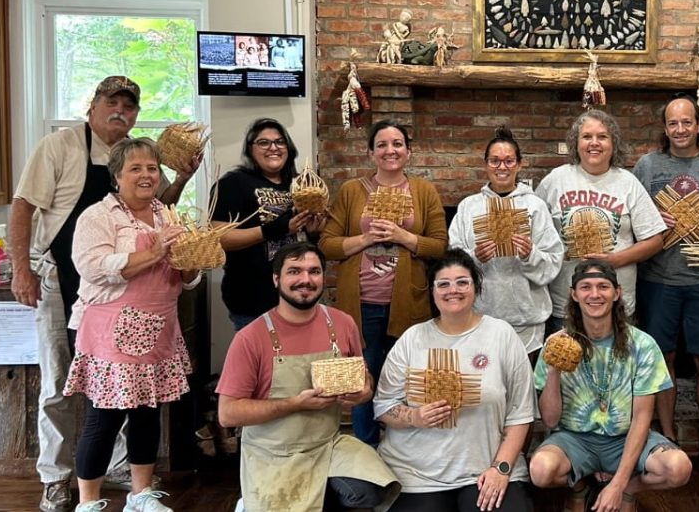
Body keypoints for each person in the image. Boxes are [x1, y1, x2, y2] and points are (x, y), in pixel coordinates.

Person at [9, 76, 198, 512]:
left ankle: (124, 474)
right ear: (92, 105)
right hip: (65, 278)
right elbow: (24, 206)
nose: (120, 111)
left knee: (138, 400)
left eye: (129, 106)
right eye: (111, 102)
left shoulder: (140, 152)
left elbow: (159, 207)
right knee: (62, 385)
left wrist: (183, 180)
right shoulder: (59, 148)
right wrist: (22, 269)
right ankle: (57, 478)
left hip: (142, 306)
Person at [64, 138, 200, 512]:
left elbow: (186, 279)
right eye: (136, 168)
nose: (146, 175)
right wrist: (155, 251)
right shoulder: (99, 217)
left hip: (158, 326)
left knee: (147, 413)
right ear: (117, 176)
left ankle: (140, 495)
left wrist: (192, 261)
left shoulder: (168, 215)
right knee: (103, 419)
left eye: (152, 168)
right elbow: (93, 267)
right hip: (110, 329)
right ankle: (89, 502)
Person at [217, 242, 400, 512]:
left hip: (328, 445)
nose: (306, 279)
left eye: (314, 271)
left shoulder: (342, 323)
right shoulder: (251, 338)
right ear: (276, 279)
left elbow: (365, 379)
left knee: (372, 491)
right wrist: (295, 404)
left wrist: (364, 390)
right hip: (273, 454)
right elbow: (228, 414)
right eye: (295, 271)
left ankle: (321, 495)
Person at [374, 249, 535, 511]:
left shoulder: (501, 334)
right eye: (444, 284)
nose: (453, 290)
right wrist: (414, 417)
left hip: (486, 468)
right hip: (418, 474)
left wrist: (501, 468)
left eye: (462, 282)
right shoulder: (412, 338)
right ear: (433, 290)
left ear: (476, 287)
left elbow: (521, 413)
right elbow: (383, 407)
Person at [319, 120, 448, 446]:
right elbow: (328, 245)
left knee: (408, 379)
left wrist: (403, 236)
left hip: (408, 303)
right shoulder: (352, 190)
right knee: (361, 381)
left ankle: (407, 449)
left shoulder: (422, 190)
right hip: (360, 305)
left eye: (397, 144)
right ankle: (367, 451)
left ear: (408, 151)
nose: (390, 150)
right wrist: (365, 238)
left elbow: (439, 246)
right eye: (382, 145)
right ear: (371, 152)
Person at [530, 259, 692, 512]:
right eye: (586, 287)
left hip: (624, 438)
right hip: (575, 439)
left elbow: (641, 419)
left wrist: (618, 485)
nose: (594, 294)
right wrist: (553, 369)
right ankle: (580, 488)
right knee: (541, 471)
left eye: (603, 287)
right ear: (574, 294)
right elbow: (550, 421)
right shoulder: (557, 344)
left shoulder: (642, 345)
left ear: (616, 293)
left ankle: (630, 489)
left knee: (678, 468)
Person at [631, 96, 699, 472]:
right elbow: (632, 219)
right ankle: (668, 437)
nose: (680, 130)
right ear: (665, 128)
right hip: (658, 278)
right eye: (673, 123)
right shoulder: (646, 166)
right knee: (664, 360)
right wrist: (650, 218)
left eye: (686, 122)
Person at [535, 110, 666, 333]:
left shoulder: (627, 182)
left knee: (618, 366)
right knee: (567, 364)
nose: (594, 143)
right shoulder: (555, 181)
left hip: (617, 305)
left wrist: (615, 260)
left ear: (613, 143)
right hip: (566, 304)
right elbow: (535, 234)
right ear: (575, 143)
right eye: (587, 137)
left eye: (602, 137)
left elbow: (655, 240)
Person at [449, 126, 565, 359]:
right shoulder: (469, 207)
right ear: (485, 165)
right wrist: (474, 257)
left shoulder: (535, 206)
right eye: (495, 161)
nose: (502, 167)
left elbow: (554, 260)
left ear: (519, 165)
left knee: (525, 389)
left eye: (509, 161)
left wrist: (529, 254)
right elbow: (452, 260)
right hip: (480, 315)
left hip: (527, 317)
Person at [211, 118, 325, 331]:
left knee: (297, 362)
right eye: (264, 143)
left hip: (299, 295)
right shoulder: (233, 183)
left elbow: (308, 240)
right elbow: (219, 238)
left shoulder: (301, 184)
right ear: (250, 149)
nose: (273, 147)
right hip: (252, 300)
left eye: (280, 142)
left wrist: (313, 232)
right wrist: (277, 228)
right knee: (260, 362)